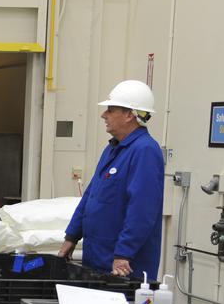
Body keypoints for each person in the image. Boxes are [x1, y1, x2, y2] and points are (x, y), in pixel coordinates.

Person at [59, 80, 164, 280]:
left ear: (129, 115)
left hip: (122, 267)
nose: (104, 115)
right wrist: (71, 236)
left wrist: (124, 253)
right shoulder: (113, 148)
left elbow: (142, 210)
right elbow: (91, 196)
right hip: (98, 258)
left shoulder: (145, 150)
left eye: (110, 110)